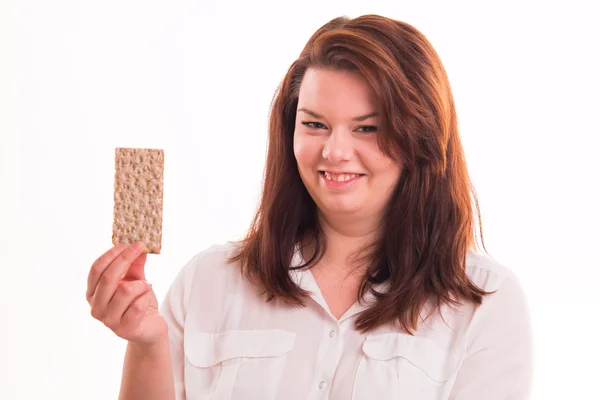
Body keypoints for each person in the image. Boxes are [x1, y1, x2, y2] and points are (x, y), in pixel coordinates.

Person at [86, 14, 533, 400]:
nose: (335, 152)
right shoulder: (207, 281)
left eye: (366, 128)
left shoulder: (484, 305)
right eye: (315, 124)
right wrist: (146, 343)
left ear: (418, 136)